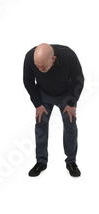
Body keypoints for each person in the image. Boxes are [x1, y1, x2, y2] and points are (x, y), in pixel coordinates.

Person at [23, 43, 84, 177]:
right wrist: (38, 104)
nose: (38, 69)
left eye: (43, 67)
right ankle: (41, 161)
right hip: (43, 94)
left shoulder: (68, 55)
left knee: (70, 125)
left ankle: (71, 162)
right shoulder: (29, 57)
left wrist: (71, 102)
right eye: (37, 65)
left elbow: (79, 79)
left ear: (53, 59)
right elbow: (28, 81)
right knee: (41, 125)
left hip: (66, 94)